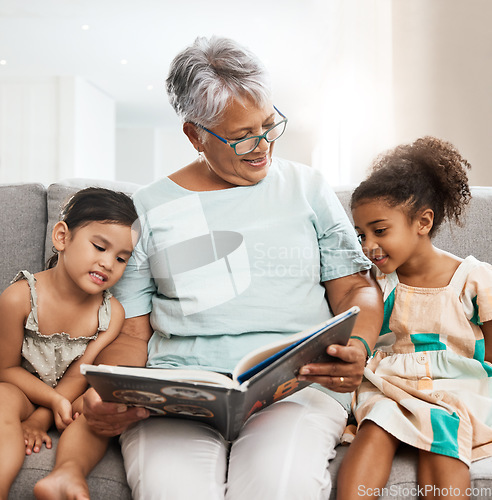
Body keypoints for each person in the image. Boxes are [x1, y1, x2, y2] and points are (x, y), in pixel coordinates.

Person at [75, 36, 383, 500]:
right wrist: (114, 392)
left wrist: (358, 344)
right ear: (195, 134)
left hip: (296, 387)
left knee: (282, 489)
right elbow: (132, 334)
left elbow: (355, 290)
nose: (262, 147)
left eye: (268, 125)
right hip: (178, 392)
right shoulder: (148, 209)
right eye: (241, 137)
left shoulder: (307, 188)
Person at [337, 136, 492, 499]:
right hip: (391, 382)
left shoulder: (475, 278)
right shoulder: (376, 283)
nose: (367, 245)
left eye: (379, 230)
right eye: (361, 234)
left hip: (457, 383)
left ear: (422, 222)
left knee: (445, 427)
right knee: (375, 425)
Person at [0, 187, 138, 500]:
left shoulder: (111, 314)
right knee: (1, 399)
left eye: (120, 258)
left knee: (99, 404)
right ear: (62, 237)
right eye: (99, 247)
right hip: (19, 388)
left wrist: (44, 416)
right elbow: (5, 369)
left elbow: (77, 375)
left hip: (68, 400)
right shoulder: (19, 297)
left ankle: (68, 474)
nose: (108, 263)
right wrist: (46, 403)